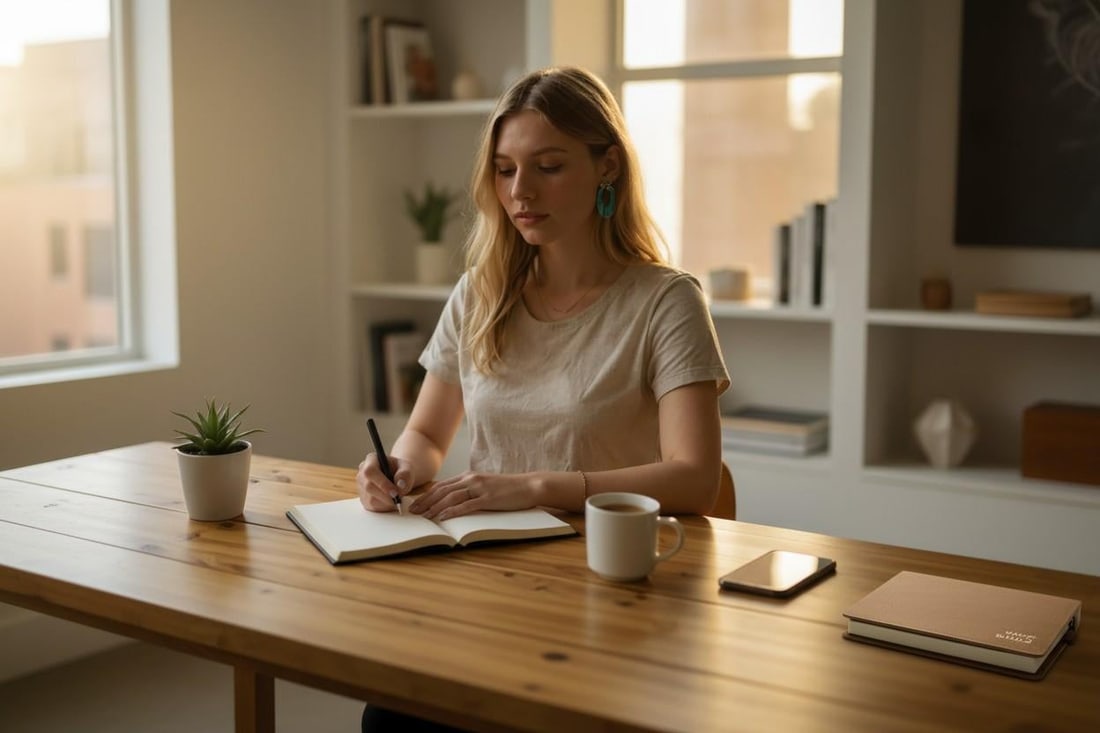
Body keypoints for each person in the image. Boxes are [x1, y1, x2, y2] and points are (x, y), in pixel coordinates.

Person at [357, 66, 729, 730]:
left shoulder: (667, 301)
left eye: (547, 166)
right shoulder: (480, 291)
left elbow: (696, 479)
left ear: (606, 165)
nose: (520, 192)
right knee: (391, 716)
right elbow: (427, 434)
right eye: (504, 170)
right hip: (489, 575)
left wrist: (534, 487)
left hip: (611, 588)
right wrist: (399, 467)